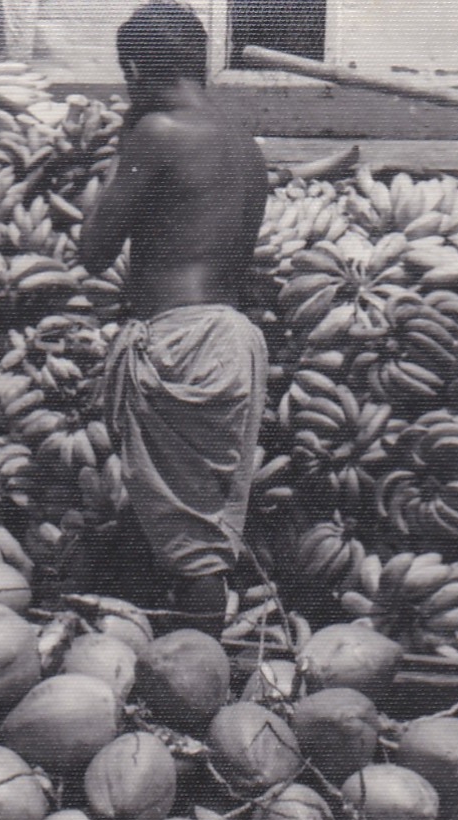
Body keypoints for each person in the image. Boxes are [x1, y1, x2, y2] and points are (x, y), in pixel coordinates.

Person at [77, 1, 270, 622]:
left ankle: (199, 676)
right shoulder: (246, 144)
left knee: (196, 550)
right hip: (233, 342)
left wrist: (115, 158)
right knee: (201, 521)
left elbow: (94, 250)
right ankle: (181, 650)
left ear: (133, 68)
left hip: (180, 343)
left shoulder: (156, 135)